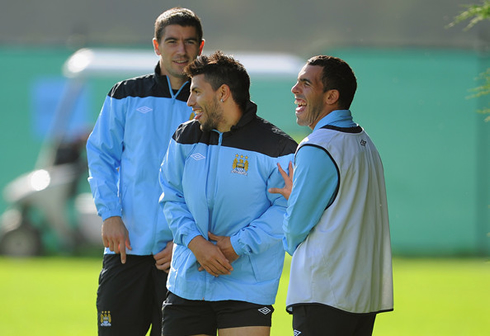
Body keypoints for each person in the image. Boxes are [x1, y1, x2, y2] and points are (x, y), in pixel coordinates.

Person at [158, 51, 298, 336]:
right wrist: (196, 243)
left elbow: (286, 209)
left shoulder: (279, 147)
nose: (189, 101)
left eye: (197, 91)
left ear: (223, 93)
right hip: (188, 281)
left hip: (247, 287)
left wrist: (237, 245)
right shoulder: (184, 137)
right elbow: (171, 195)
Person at [86, 8, 204, 336]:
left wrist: (186, 243)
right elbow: (100, 156)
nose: (181, 50)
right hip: (126, 251)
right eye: (172, 41)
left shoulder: (210, 104)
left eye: (189, 42)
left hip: (181, 256)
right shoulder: (126, 94)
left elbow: (213, 183)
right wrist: (109, 215)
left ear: (201, 46)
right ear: (157, 45)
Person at [269, 55, 394, 336]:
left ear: (331, 96)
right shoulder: (366, 142)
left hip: (324, 296)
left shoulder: (317, 146)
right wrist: (300, 195)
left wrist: (294, 203)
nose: (294, 89)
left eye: (305, 83)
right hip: (363, 296)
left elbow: (294, 232)